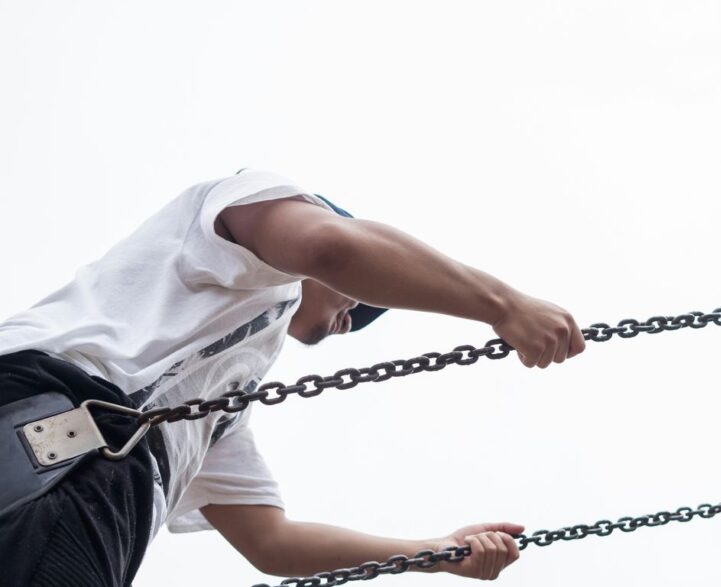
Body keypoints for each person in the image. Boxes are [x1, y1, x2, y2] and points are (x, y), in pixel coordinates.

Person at [0, 169, 586, 586]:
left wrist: (432, 553)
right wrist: (503, 305)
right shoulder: (232, 215)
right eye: (356, 303)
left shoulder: (220, 409)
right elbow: (327, 246)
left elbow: (271, 543)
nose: (349, 319)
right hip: (50, 416)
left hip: (102, 488)